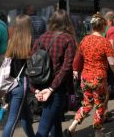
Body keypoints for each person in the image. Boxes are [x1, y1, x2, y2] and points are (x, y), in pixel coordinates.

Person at [68, 13, 114, 137]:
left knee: (86, 104)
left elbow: (78, 58)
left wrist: (75, 70)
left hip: (85, 77)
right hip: (99, 79)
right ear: (103, 26)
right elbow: (112, 62)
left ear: (92, 26)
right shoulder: (105, 42)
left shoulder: (84, 40)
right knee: (99, 105)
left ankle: (72, 127)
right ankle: (98, 132)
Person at [33, 9, 76, 137]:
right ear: (67, 22)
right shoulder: (68, 39)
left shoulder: (43, 37)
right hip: (56, 87)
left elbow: (32, 62)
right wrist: (52, 88)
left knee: (55, 122)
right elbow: (66, 68)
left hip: (41, 83)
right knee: (44, 128)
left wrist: (35, 88)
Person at [2, 15, 34, 137]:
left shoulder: (12, 41)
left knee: (25, 116)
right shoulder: (29, 42)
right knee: (12, 120)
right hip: (21, 84)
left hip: (12, 83)